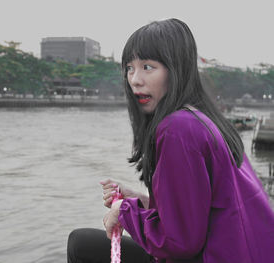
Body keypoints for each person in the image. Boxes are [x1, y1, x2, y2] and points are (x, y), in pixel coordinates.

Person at [67, 18, 274, 263]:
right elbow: (201, 210)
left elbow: (179, 243)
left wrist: (123, 212)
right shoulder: (204, 119)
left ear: (175, 69)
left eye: (147, 67)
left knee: (80, 245)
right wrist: (142, 201)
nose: (135, 80)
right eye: (130, 68)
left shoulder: (177, 128)